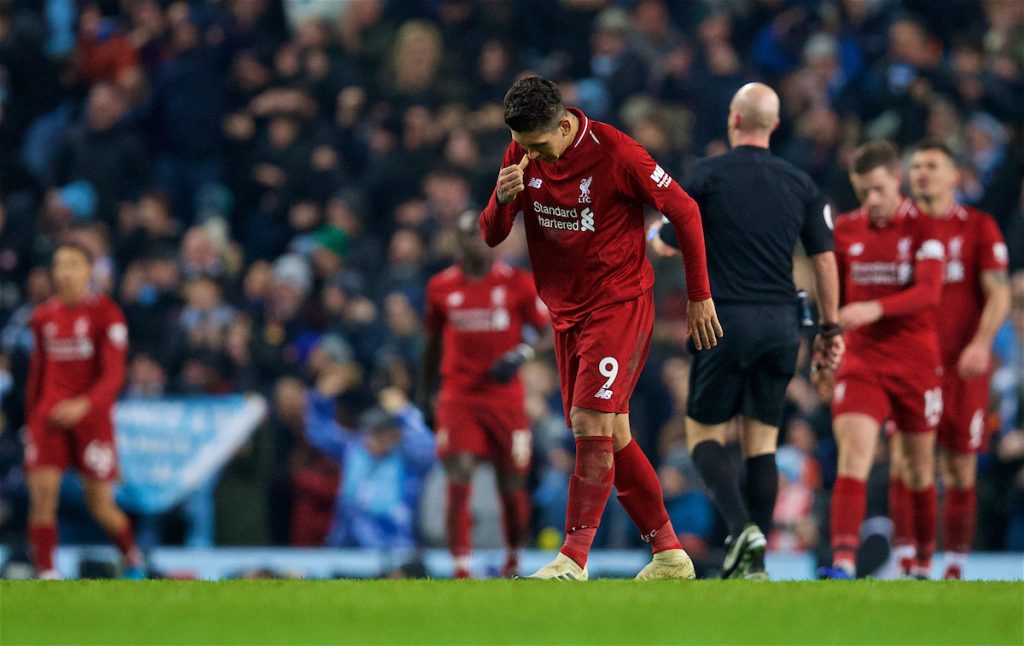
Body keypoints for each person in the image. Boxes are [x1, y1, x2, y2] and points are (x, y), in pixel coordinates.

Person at [480, 75, 722, 580]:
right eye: (523, 147)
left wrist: (699, 296)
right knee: (611, 434)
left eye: (539, 145)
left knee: (591, 422)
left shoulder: (615, 152)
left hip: (619, 302)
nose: (532, 156)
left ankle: (573, 558)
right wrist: (502, 200)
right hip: (566, 312)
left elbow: (684, 209)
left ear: (564, 124)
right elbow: (491, 235)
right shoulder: (520, 153)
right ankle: (670, 554)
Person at [652, 83, 841, 579]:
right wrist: (830, 327)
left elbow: (669, 243)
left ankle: (743, 529)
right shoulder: (801, 183)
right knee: (762, 443)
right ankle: (752, 565)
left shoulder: (707, 175)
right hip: (783, 324)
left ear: (734, 119)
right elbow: (824, 259)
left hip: (725, 319)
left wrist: (655, 236)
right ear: (774, 125)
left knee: (702, 436)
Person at [814, 140, 945, 579]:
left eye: (878, 190)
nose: (871, 200)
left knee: (917, 467)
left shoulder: (926, 226)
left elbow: (929, 291)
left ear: (897, 181)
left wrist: (875, 308)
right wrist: (826, 342)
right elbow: (836, 297)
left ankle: (923, 564)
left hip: (915, 361)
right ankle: (845, 562)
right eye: (863, 192)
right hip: (863, 360)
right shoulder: (847, 229)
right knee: (854, 456)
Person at [420, 211, 550, 578]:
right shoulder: (440, 287)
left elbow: (545, 333)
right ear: (458, 242)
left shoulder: (518, 284)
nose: (478, 243)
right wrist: (423, 394)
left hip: (504, 398)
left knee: (512, 483)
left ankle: (512, 558)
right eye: (470, 237)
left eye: (483, 236)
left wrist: (521, 354)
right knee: (458, 471)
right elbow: (431, 345)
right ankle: (460, 565)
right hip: (458, 396)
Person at [904, 139, 1010, 579]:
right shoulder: (899, 227)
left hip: (962, 365)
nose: (922, 173)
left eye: (932, 165)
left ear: (954, 176)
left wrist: (982, 344)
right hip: (911, 364)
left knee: (960, 466)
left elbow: (999, 292)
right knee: (910, 462)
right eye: (916, 165)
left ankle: (957, 564)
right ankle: (915, 559)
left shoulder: (979, 227)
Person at [25, 242, 143, 579]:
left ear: (89, 270)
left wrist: (84, 405)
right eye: (59, 264)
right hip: (48, 417)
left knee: (100, 505)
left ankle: (133, 560)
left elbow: (114, 375)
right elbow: (38, 373)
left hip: (91, 419)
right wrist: (31, 418)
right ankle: (47, 574)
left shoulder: (107, 314)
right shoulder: (43, 316)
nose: (64, 272)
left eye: (73, 264)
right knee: (43, 498)